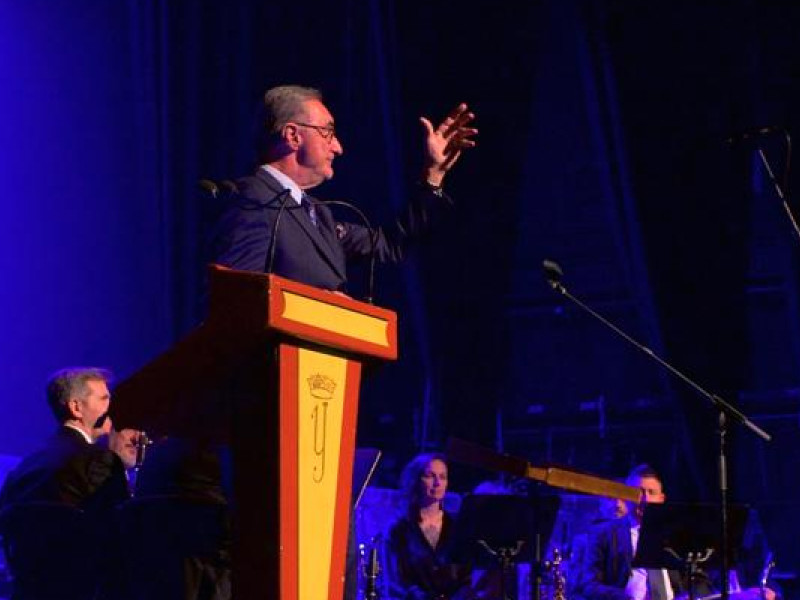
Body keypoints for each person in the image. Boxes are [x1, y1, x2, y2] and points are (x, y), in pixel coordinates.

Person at [209, 84, 477, 291]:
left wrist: (433, 174)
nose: (338, 147)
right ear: (293, 136)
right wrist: (320, 308)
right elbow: (236, 304)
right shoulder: (251, 202)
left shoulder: (319, 216)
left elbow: (387, 245)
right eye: (327, 131)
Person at [0, 367, 136, 600]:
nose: (112, 407)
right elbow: (122, 536)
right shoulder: (99, 460)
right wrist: (122, 466)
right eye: (104, 399)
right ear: (76, 408)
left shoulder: (26, 466)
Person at [572, 464, 776, 600]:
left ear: (662, 499)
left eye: (650, 493)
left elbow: (698, 581)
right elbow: (588, 585)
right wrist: (627, 597)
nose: (644, 499)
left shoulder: (676, 534)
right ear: (625, 496)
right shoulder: (605, 534)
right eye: (637, 492)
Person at [384, 453, 474, 600]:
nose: (437, 483)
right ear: (416, 481)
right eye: (430, 476)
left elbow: (467, 579)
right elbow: (396, 582)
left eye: (443, 477)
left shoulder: (458, 528)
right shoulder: (400, 530)